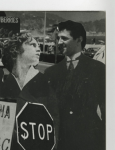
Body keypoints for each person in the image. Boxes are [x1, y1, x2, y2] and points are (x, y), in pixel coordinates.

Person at [44, 20, 105, 150]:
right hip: (60, 143)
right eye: (58, 38)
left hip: (90, 142)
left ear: (79, 40)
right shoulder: (50, 73)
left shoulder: (98, 69)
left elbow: (106, 110)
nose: (59, 42)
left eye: (64, 38)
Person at [0, 32, 59, 150]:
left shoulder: (46, 83)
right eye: (33, 45)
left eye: (38, 46)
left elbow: (55, 126)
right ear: (16, 50)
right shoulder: (4, 84)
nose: (39, 49)